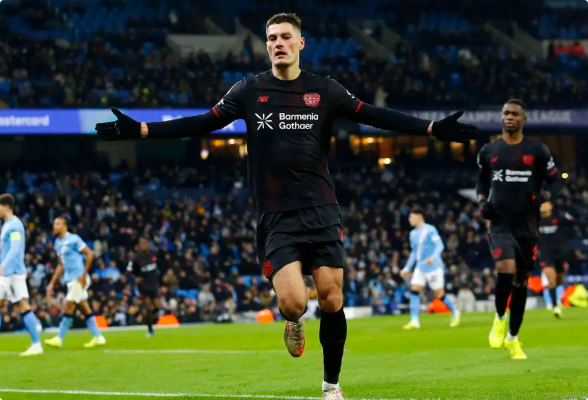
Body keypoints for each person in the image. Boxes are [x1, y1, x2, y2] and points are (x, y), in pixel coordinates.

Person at [95, 13, 478, 399]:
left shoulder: (324, 90)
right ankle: (293, 321)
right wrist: (143, 129)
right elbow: (204, 122)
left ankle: (331, 386)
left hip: (321, 209)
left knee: (331, 298)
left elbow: (374, 115)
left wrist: (430, 128)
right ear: (266, 45)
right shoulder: (249, 90)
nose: (278, 43)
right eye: (272, 38)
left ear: (300, 43)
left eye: (285, 37)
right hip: (276, 215)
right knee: (295, 304)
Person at [477, 99, 560, 360]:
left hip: (527, 225)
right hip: (500, 222)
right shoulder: (489, 150)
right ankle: (499, 318)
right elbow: (481, 183)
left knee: (521, 280)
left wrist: (545, 198)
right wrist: (481, 202)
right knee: (506, 268)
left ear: (523, 119)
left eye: (514, 114)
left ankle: (513, 337)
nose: (509, 117)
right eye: (505, 113)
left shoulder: (537, 150)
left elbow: (555, 182)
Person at [44, 216, 106, 348]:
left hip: (78, 279)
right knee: (84, 307)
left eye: (57, 224)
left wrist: (83, 275)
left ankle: (59, 338)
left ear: (64, 226)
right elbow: (60, 265)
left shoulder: (74, 239)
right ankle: (98, 337)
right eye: (54, 224)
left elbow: (90, 254)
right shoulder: (57, 243)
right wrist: (52, 283)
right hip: (69, 280)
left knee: (69, 306)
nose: (54, 226)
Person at [400, 208, 460, 329]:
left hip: (434, 267)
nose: (409, 219)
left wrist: (432, 257)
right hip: (420, 267)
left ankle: (455, 311)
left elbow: (440, 245)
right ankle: (414, 321)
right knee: (414, 289)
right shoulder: (412, 234)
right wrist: (406, 268)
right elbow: (414, 253)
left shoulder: (430, 230)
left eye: (411, 217)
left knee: (439, 294)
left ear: (419, 217)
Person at [0, 193, 43, 356]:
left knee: (23, 305)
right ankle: (36, 343)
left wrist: (2, 266)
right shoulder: (7, 225)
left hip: (13, 273)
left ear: (6, 207)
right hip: (8, 273)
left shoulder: (15, 225)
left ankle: (36, 344)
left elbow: (15, 248)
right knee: (20, 305)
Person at [538, 200, 573, 317]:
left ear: (551, 206)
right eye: (541, 204)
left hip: (559, 254)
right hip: (545, 254)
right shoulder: (536, 220)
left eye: (545, 204)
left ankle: (557, 300)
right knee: (551, 280)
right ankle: (554, 306)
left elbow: (574, 222)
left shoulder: (558, 218)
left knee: (559, 279)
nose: (543, 206)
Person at [127, 237, 162, 337]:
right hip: (143, 286)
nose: (143, 245)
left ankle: (146, 317)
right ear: (139, 245)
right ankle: (150, 330)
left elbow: (160, 265)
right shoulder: (136, 257)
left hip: (154, 284)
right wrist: (135, 278)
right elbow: (129, 270)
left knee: (158, 307)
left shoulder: (153, 254)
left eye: (145, 243)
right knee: (148, 307)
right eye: (141, 243)